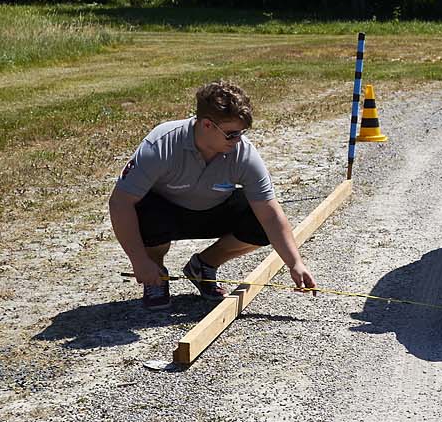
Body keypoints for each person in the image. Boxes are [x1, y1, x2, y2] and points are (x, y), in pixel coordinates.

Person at [109, 80, 318, 311]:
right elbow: (120, 203)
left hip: (213, 210)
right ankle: (155, 274)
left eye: (241, 133)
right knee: (145, 211)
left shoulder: (243, 153)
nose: (238, 140)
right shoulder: (161, 144)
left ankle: (203, 266)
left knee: (259, 223)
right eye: (231, 134)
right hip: (165, 213)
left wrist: (295, 263)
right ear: (207, 124)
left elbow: (270, 214)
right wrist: (139, 261)